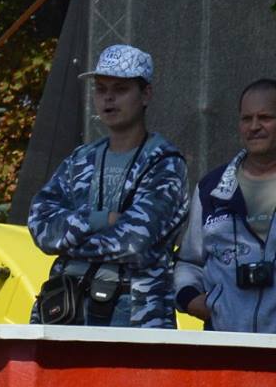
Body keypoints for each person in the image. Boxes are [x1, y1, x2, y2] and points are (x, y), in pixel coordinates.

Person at [27, 45, 189, 329]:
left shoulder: (165, 162)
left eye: (120, 89)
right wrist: (100, 220)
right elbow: (41, 228)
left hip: (137, 315)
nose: (108, 98)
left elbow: (135, 242)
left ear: (145, 94)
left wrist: (70, 241)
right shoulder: (80, 159)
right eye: (100, 89)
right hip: (70, 311)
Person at [177, 79, 276, 334]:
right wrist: (192, 300)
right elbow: (189, 262)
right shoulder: (211, 189)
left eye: (265, 117)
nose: (254, 126)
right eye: (246, 118)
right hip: (225, 344)